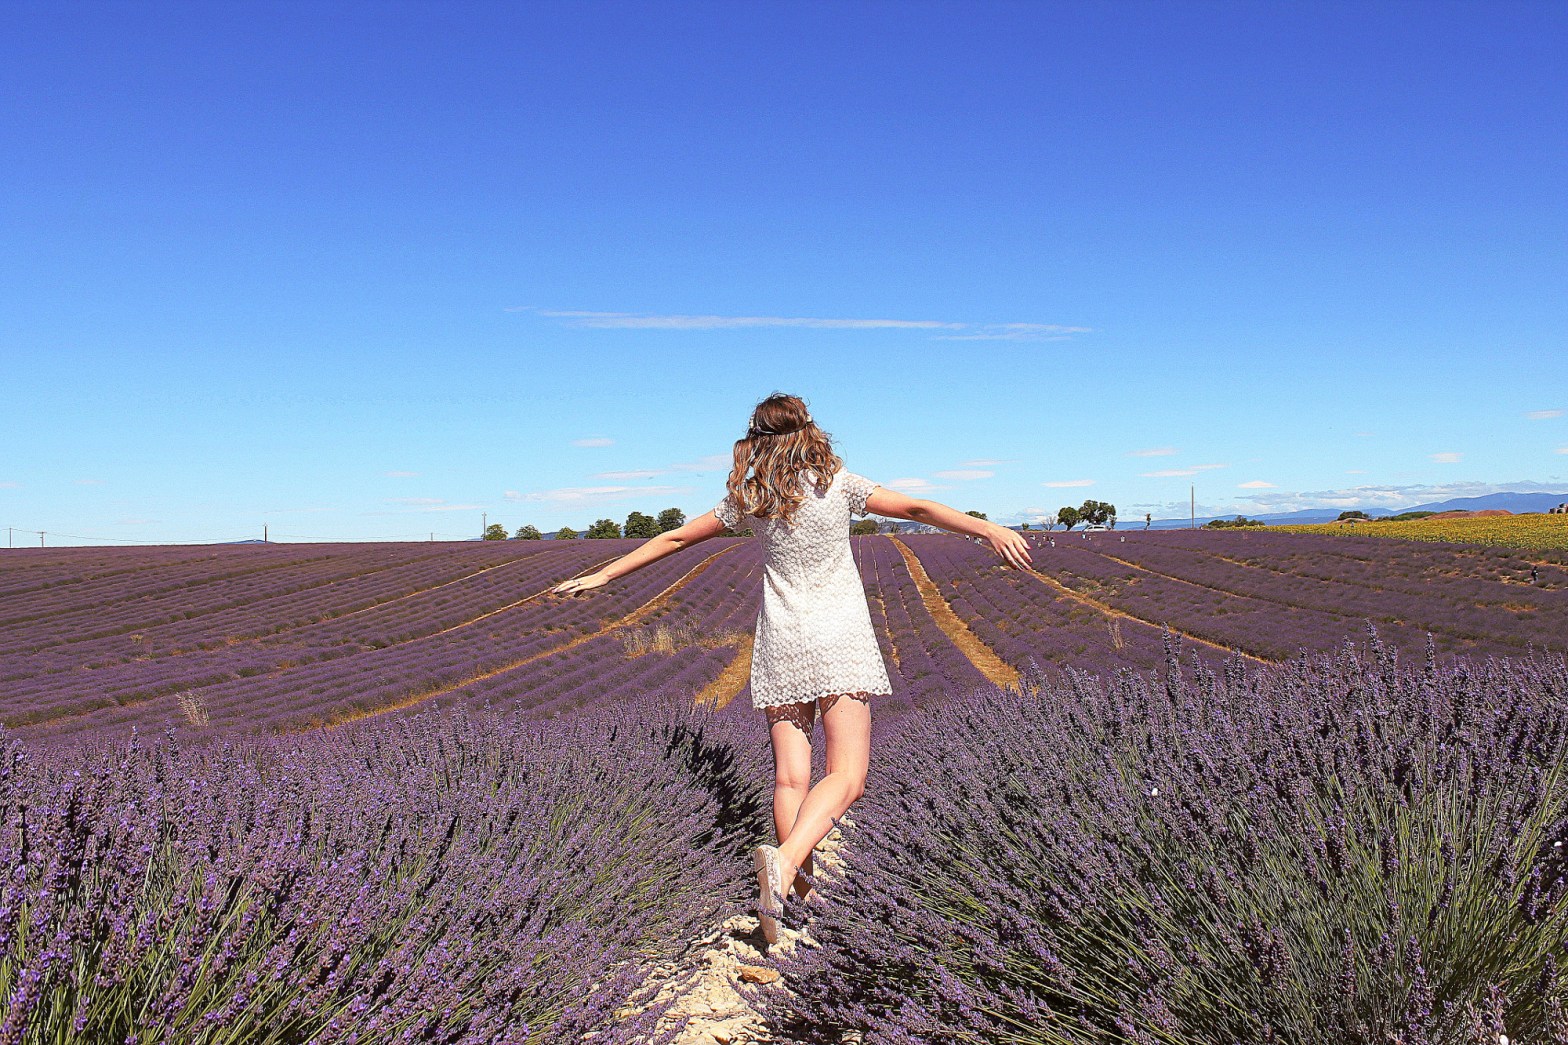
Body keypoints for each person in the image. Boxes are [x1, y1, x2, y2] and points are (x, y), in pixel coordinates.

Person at [549, 392, 1032, 944]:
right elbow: (919, 510)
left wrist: (603, 577)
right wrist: (987, 528)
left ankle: (790, 907)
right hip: (839, 636)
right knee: (847, 776)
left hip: (781, 639)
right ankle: (785, 865)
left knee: (789, 777)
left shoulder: (751, 497)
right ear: (808, 430)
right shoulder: (838, 484)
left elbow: (676, 537)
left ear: (756, 438)